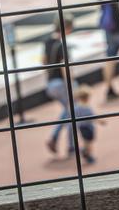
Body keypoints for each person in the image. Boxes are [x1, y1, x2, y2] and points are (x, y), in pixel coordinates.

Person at [43, 16, 76, 156]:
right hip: (61, 83)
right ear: (66, 28)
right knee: (72, 111)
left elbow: (44, 62)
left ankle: (55, 138)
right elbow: (64, 68)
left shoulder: (48, 42)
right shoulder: (62, 45)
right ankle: (70, 145)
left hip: (51, 83)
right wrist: (72, 84)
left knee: (68, 110)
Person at [71, 87, 99, 165]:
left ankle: (85, 150)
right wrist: (100, 121)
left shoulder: (76, 107)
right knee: (89, 142)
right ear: (87, 98)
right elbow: (93, 117)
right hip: (88, 127)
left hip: (81, 127)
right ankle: (88, 155)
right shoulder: (87, 108)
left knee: (85, 141)